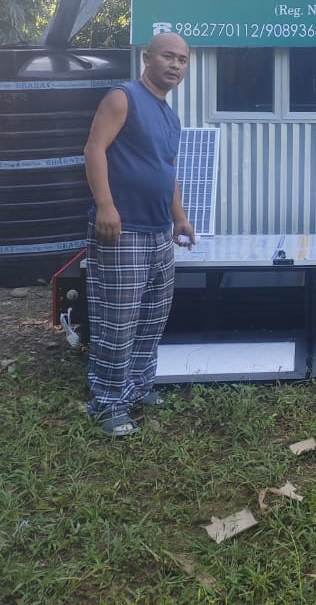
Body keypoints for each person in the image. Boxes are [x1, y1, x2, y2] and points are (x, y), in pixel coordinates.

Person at [82, 32, 195, 436]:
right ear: (147, 58)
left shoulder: (169, 115)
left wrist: (179, 217)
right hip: (122, 228)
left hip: (157, 231)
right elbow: (94, 149)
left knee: (151, 316)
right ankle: (107, 402)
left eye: (182, 60)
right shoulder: (123, 97)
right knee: (118, 318)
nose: (176, 65)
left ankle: (137, 386)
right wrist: (105, 205)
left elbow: (168, 169)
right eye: (168, 56)